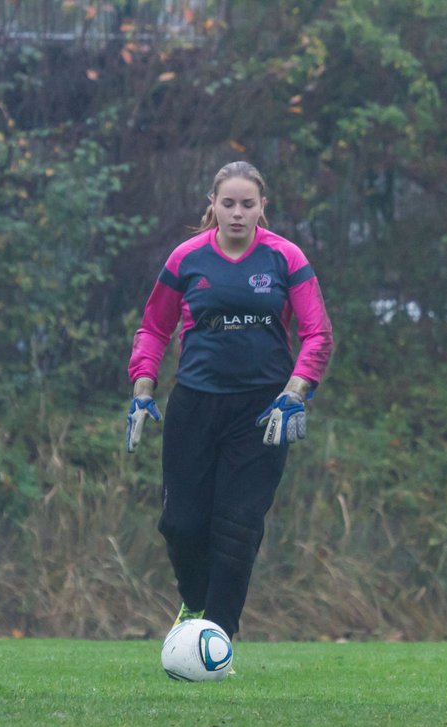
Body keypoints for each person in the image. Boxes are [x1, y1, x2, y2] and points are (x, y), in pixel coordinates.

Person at [125, 160, 334, 642]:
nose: (237, 213)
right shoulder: (186, 258)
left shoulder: (286, 258)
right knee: (181, 524)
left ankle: (215, 637)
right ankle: (195, 603)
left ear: (263, 207)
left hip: (263, 412)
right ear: (212, 206)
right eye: (228, 204)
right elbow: (154, 327)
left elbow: (317, 333)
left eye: (247, 204)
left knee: (237, 530)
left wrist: (296, 391)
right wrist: (142, 387)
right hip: (195, 406)